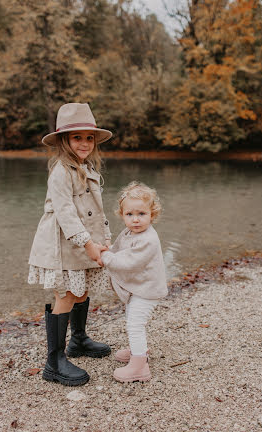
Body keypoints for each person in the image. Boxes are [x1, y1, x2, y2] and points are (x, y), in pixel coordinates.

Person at [28, 102, 112, 386]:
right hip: (63, 244)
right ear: (64, 141)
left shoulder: (87, 168)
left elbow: (96, 211)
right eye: (77, 137)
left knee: (83, 288)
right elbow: (65, 214)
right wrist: (87, 244)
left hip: (85, 241)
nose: (85, 143)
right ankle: (54, 361)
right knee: (66, 293)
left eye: (89, 137)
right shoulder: (61, 172)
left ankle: (78, 340)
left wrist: (104, 240)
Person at [101, 182, 168, 383]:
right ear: (122, 215)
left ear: (152, 215)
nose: (136, 219)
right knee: (132, 318)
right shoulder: (129, 232)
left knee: (135, 324)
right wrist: (106, 250)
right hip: (138, 288)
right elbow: (118, 249)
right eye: (129, 214)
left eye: (141, 214)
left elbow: (130, 262)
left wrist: (105, 258)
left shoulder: (148, 239)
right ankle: (137, 350)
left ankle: (140, 367)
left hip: (148, 290)